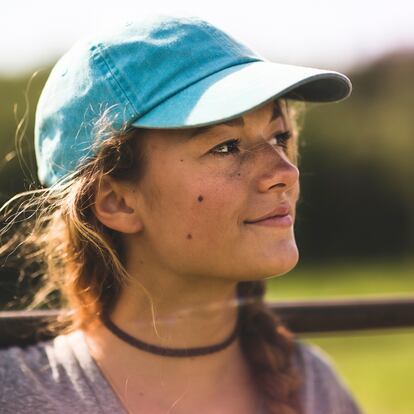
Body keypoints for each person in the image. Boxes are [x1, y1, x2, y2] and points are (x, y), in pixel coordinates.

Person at [0, 14, 363, 414]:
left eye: (279, 137)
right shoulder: (18, 397)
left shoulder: (313, 388)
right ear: (116, 202)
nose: (285, 173)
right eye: (226, 146)